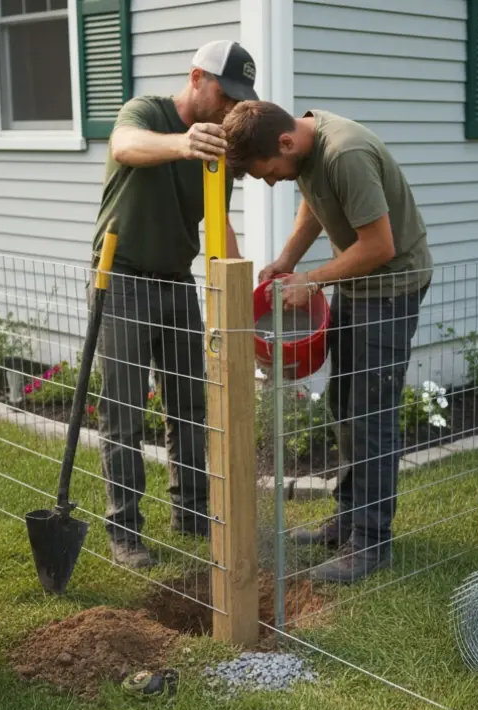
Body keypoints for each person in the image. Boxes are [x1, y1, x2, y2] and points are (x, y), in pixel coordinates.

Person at [222, 101, 433, 583]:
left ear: (285, 144)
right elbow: (316, 206)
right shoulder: (306, 147)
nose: (271, 181)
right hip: (359, 284)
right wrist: (285, 260)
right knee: (344, 403)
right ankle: (347, 520)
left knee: (372, 415)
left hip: (391, 287)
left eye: (269, 173)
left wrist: (313, 279)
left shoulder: (346, 153)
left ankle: (372, 544)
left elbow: (381, 247)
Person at [92, 40, 258, 569]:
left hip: (177, 282)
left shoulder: (220, 149)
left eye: (240, 98)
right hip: (121, 279)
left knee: (189, 405)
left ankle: (192, 513)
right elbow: (125, 145)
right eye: (225, 94)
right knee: (124, 411)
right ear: (196, 78)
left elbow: (218, 222)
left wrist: (240, 304)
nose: (231, 107)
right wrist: (183, 144)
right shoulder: (147, 113)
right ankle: (125, 531)